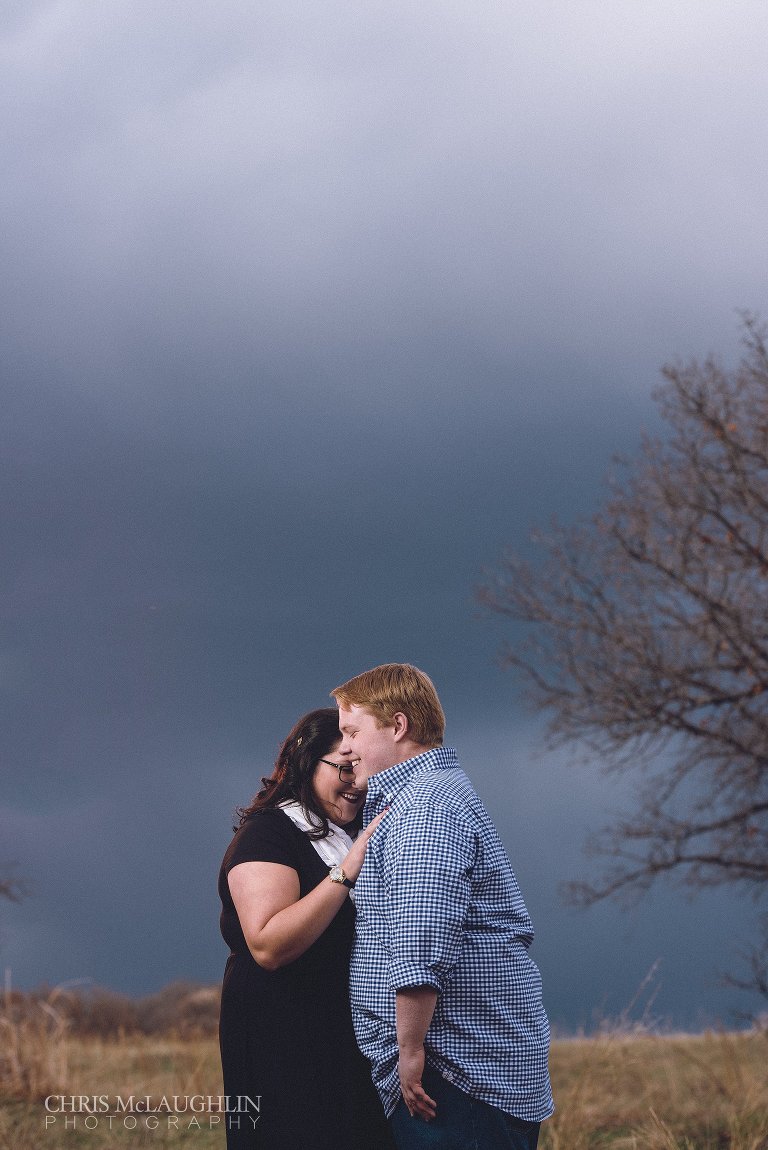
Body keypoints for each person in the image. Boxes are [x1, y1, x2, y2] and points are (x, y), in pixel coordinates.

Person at [332, 664, 554, 1150]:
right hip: (459, 1070)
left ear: (398, 726)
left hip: (453, 1075)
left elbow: (421, 941)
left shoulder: (425, 810)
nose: (344, 748)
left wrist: (409, 1051)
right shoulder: (426, 796)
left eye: (352, 731)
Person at [218, 707, 394, 1150]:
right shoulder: (269, 833)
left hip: (343, 1035)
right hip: (282, 1034)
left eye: (365, 768)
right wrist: (347, 871)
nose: (358, 782)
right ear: (306, 764)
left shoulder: (349, 833)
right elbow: (268, 945)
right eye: (345, 768)